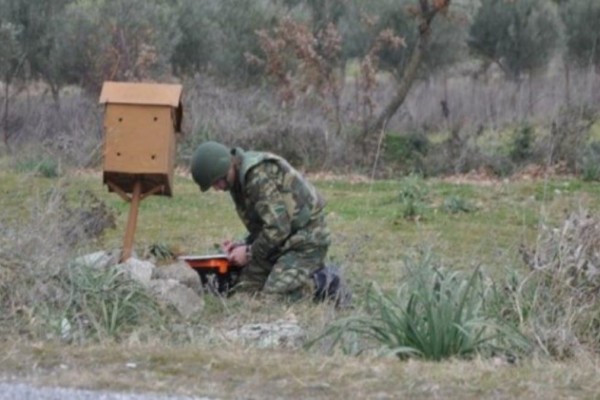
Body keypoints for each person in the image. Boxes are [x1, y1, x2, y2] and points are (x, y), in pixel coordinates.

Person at [190, 141, 344, 302]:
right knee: (242, 295)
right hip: (280, 243)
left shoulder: (257, 175)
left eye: (216, 182)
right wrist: (242, 245)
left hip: (306, 241)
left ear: (224, 169)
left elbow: (278, 228)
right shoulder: (236, 179)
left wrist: (248, 252)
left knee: (273, 298)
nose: (217, 188)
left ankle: (323, 283)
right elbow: (264, 224)